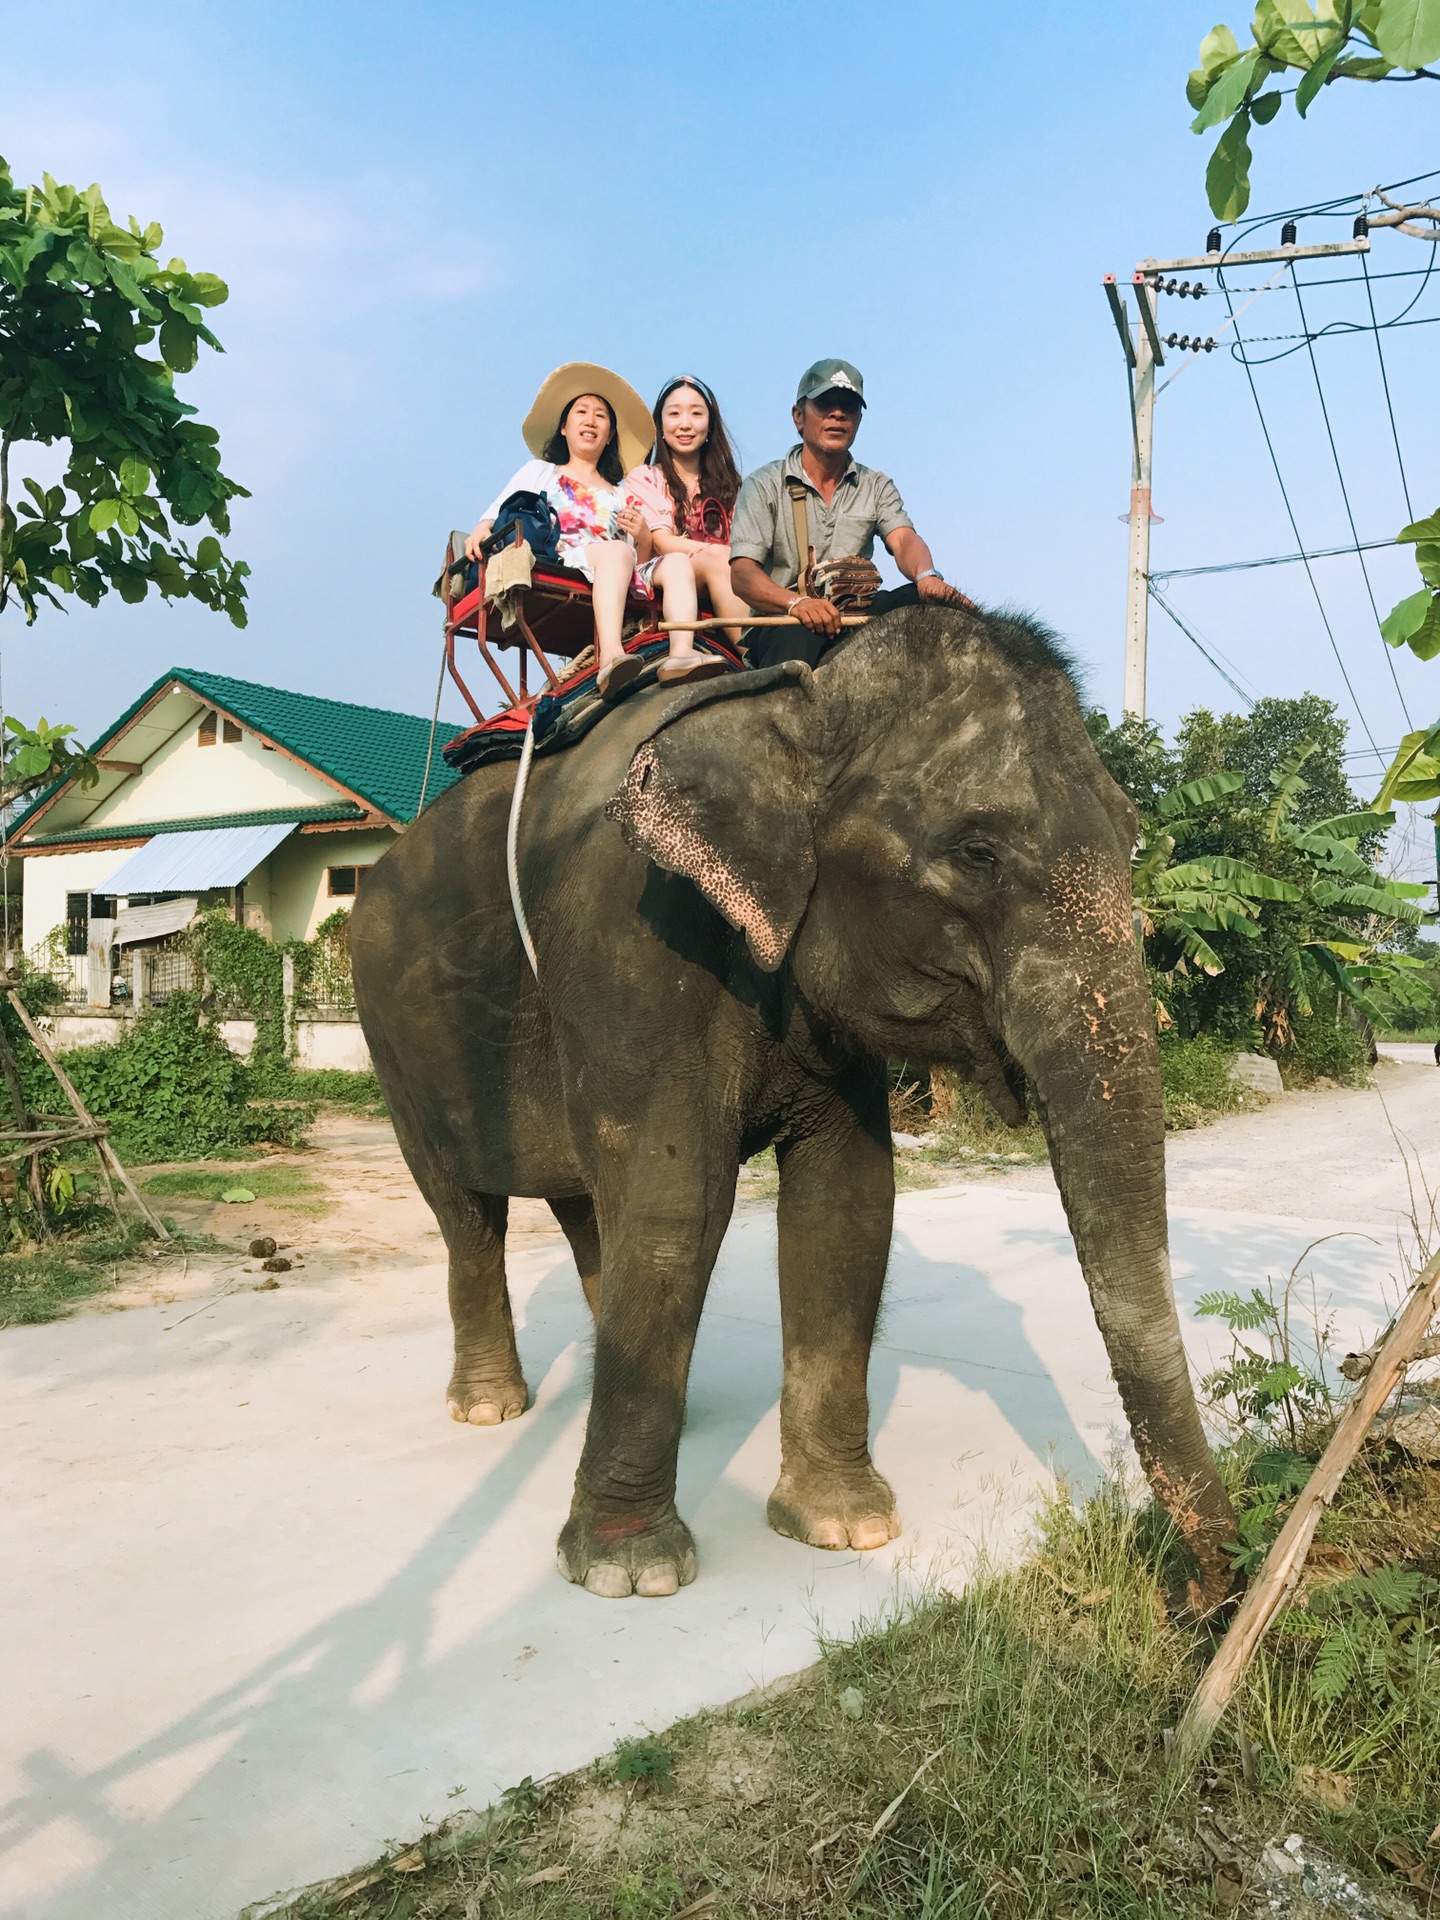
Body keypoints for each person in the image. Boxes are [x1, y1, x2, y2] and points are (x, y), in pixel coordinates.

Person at [464, 363, 712, 698]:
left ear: (610, 435)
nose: (591, 421)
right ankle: (611, 655)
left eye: (601, 416)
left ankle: (681, 652)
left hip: (617, 566)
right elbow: (498, 512)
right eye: (581, 412)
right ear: (564, 427)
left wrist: (641, 536)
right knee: (615, 551)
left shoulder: (621, 492)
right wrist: (480, 528)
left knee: (676, 562)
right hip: (563, 557)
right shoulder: (542, 472)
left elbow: (637, 561)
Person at [729, 358, 975, 669]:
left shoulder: (876, 485)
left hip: (856, 615)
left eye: (849, 406)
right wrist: (798, 603)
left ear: (858, 420)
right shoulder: (763, 484)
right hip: (785, 622)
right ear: (798, 417)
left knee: (927, 606)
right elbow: (742, 576)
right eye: (825, 404)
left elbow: (903, 540)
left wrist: (927, 577)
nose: (837, 414)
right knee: (795, 650)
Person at [623, 377, 751, 673]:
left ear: (710, 425)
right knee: (721, 557)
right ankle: (755, 655)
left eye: (696, 413)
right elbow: (663, 542)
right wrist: (717, 553)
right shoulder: (646, 477)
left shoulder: (732, 485)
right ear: (660, 425)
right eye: (674, 413)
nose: (685, 424)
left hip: (724, 575)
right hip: (669, 574)